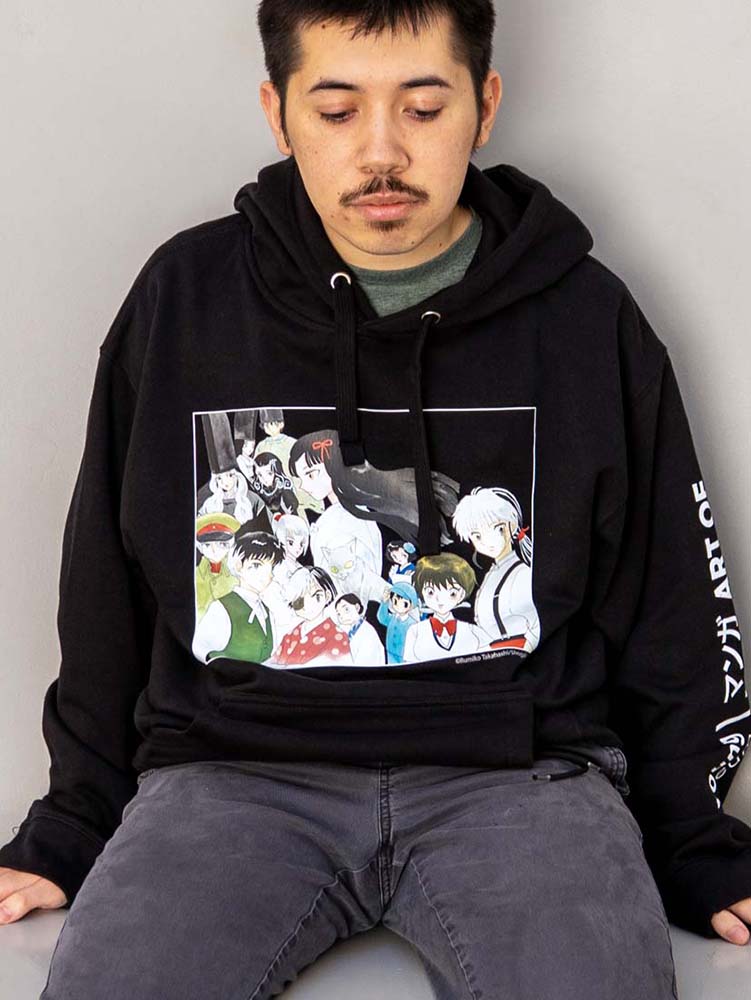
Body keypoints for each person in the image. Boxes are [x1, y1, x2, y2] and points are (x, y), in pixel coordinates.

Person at [1, 1, 749, 996]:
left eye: (423, 108)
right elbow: (107, 574)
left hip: (523, 783)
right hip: (231, 779)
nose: (382, 152)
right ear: (278, 113)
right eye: (337, 109)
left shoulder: (584, 316)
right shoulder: (185, 297)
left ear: (485, 105)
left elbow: (669, 592)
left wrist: (690, 834)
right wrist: (73, 817)